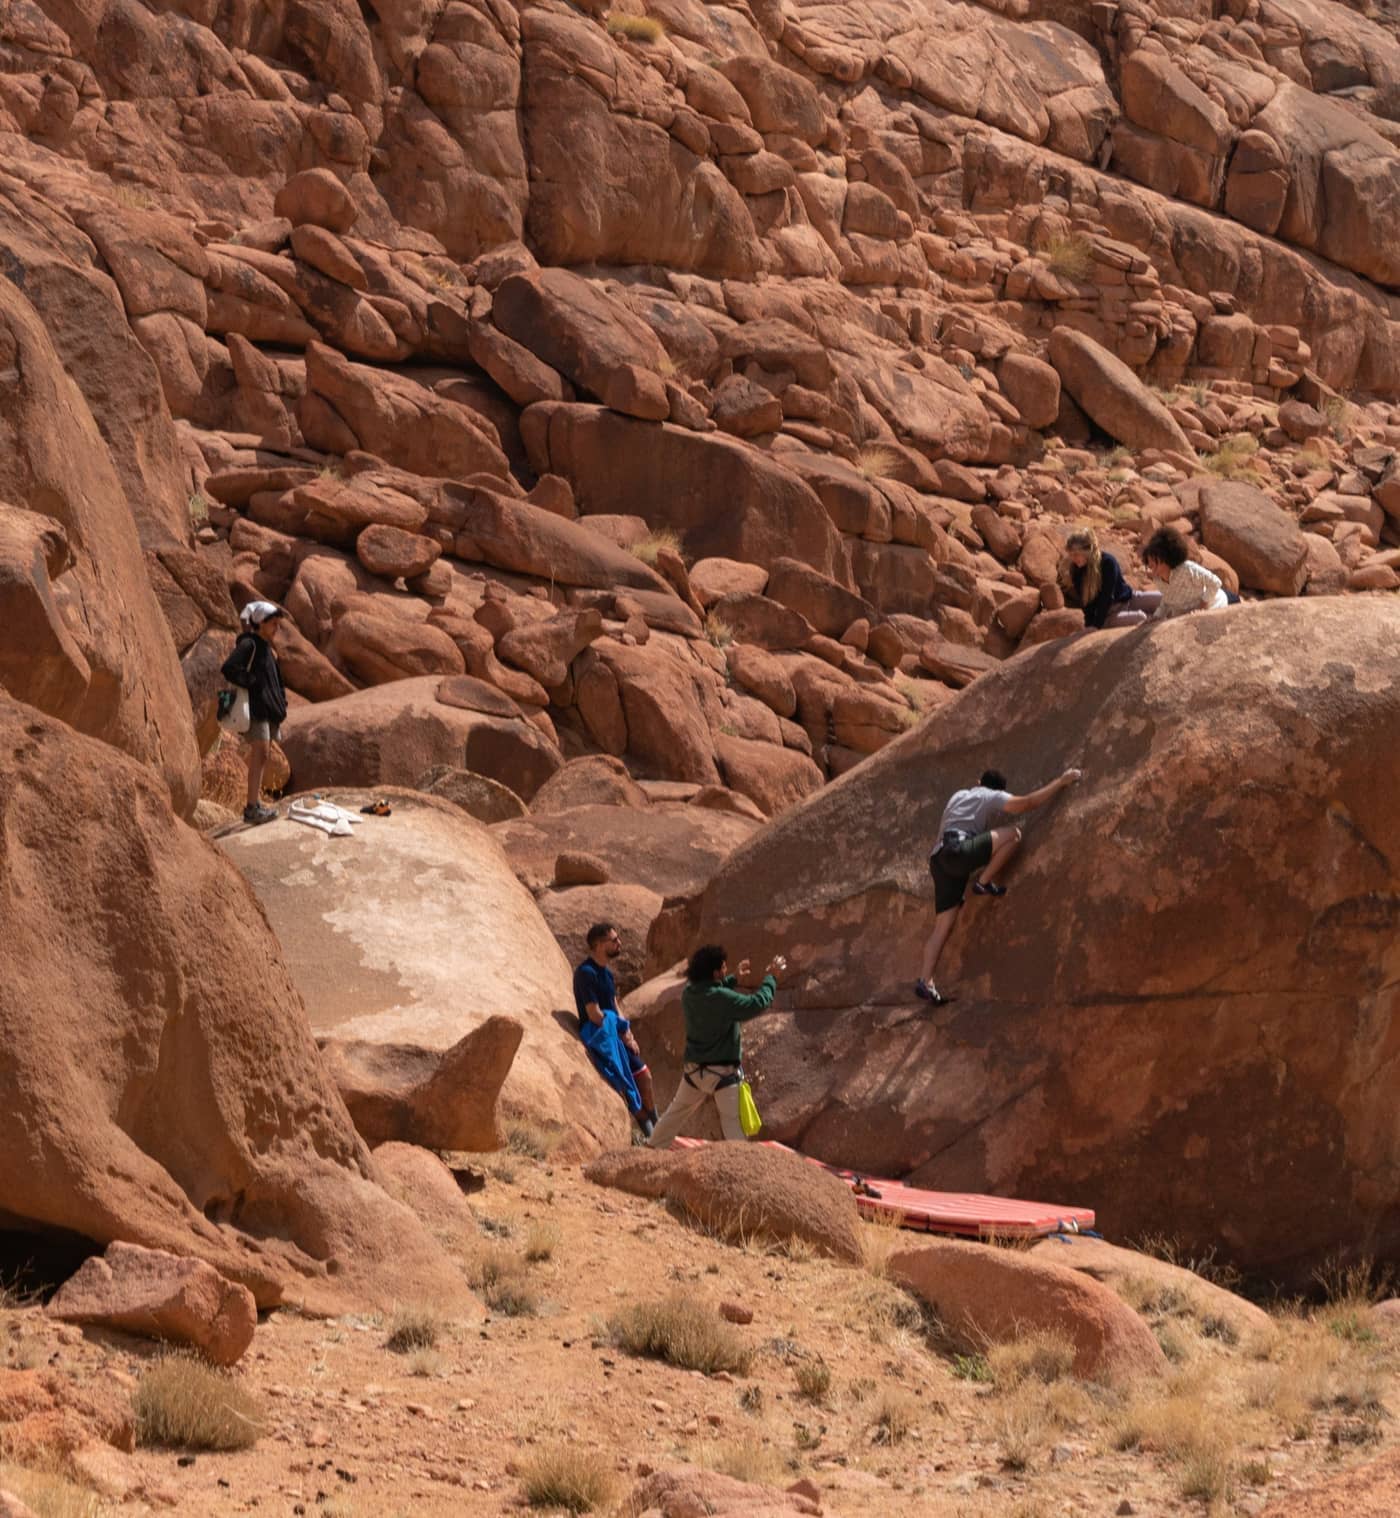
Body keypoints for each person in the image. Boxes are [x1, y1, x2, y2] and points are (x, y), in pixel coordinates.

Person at [915, 767, 1082, 1006]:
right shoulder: (990, 795)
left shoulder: (959, 795)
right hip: (959, 852)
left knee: (942, 927)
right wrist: (1060, 782)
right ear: (999, 790)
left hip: (939, 860)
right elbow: (1026, 803)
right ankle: (983, 883)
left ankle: (925, 980)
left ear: (978, 781)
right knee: (1013, 834)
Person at [648, 944, 786, 1148]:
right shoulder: (721, 999)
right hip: (722, 1075)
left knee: (674, 1114)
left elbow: (712, 996)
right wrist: (771, 978)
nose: (725, 970)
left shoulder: (689, 994)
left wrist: (732, 979)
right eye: (723, 968)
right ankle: (742, 1169)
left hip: (694, 1071)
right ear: (714, 973)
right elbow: (756, 1003)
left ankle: (651, 1147)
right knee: (733, 1126)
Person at [573, 923, 657, 1138]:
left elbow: (613, 1004)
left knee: (645, 1078)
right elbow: (594, 1014)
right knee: (627, 1087)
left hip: (616, 1033)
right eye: (614, 940)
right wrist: (617, 1031)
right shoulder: (585, 973)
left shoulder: (606, 974)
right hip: (602, 1036)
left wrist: (628, 1034)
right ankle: (652, 1136)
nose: (619, 943)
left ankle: (658, 1131)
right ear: (600, 945)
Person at [220, 601, 287, 826]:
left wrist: (281, 701)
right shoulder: (250, 644)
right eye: (274, 623)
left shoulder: (265, 647)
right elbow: (229, 668)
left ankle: (254, 805)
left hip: (266, 709)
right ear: (261, 623)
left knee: (263, 755)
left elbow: (276, 680)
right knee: (261, 754)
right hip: (256, 709)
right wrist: (252, 683)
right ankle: (251, 808)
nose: (277, 627)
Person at [1060, 527, 1161, 628]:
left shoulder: (1108, 562)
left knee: (1162, 599)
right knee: (1141, 618)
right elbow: (1087, 604)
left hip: (1129, 599)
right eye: (1071, 555)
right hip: (1108, 615)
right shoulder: (1076, 571)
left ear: (1088, 551)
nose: (1073, 559)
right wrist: (1094, 626)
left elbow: (1108, 594)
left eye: (1076, 554)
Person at [1142, 526, 1236, 617]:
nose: (1152, 570)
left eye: (1156, 564)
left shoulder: (1188, 569)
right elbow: (1167, 600)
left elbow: (1215, 582)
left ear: (1167, 559)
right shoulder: (1158, 580)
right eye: (1150, 566)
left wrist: (1202, 607)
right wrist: (1156, 616)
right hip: (1188, 617)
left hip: (1218, 604)